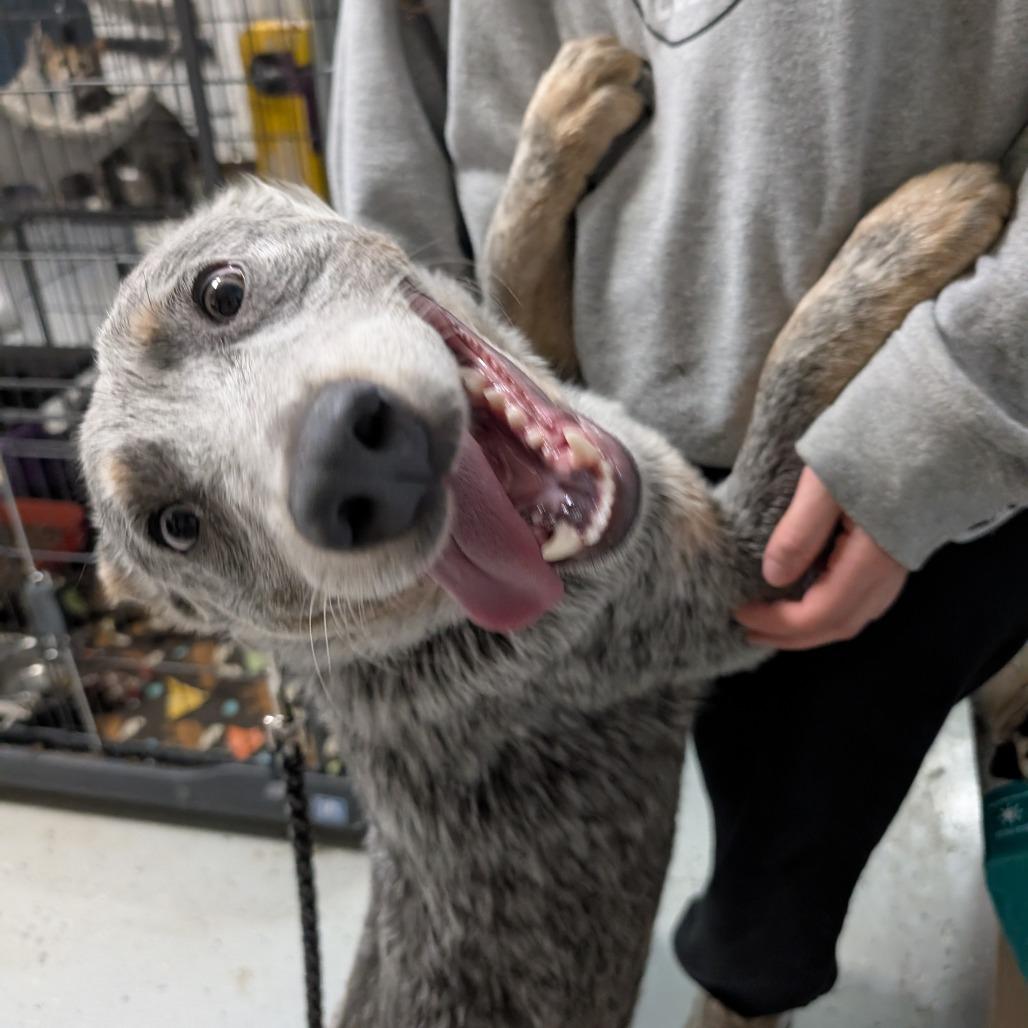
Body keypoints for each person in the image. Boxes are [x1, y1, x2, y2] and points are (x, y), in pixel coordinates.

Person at [327, 2, 1028, 1024]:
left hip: (910, 431)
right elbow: (395, 73)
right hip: (569, 432)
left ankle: (742, 994)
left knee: (788, 849)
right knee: (675, 844)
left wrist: (964, 389)